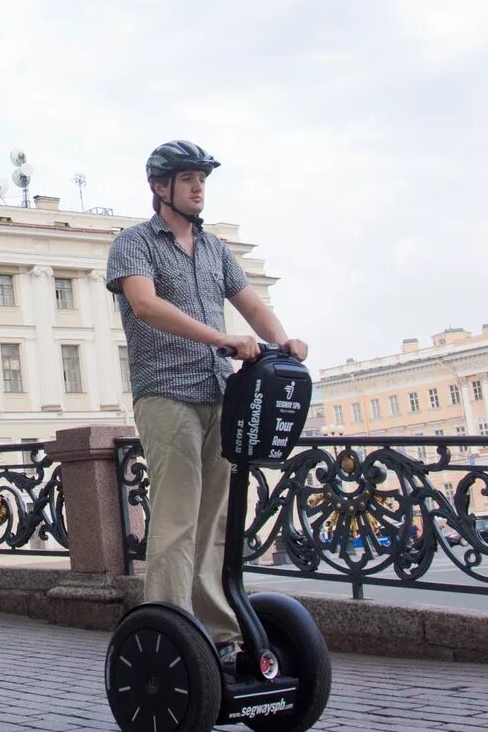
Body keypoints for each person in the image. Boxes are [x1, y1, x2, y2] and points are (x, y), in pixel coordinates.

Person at [106, 140, 308, 670]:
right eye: (188, 178)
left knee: (215, 519)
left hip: (219, 393)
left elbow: (251, 304)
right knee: (176, 517)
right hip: (166, 393)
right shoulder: (133, 243)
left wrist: (284, 342)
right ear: (159, 187)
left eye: (202, 179)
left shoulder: (214, 248)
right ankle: (171, 631)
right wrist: (221, 339)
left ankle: (217, 634)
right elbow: (146, 305)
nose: (198, 187)